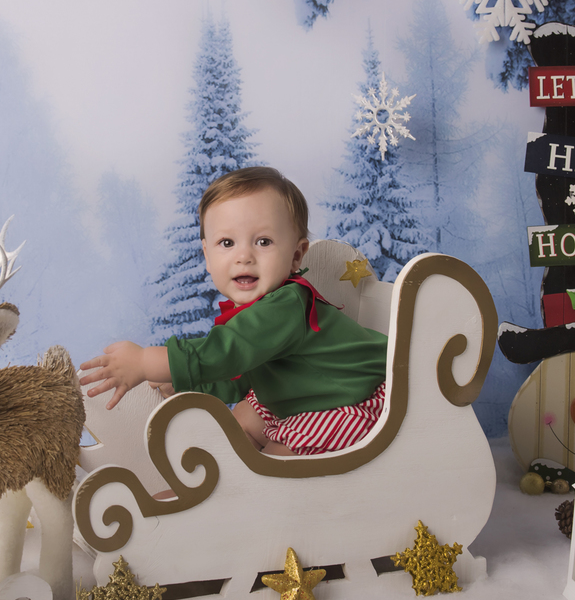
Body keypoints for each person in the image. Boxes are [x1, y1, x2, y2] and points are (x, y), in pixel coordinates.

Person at [79, 166, 387, 456]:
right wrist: (189, 381)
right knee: (244, 414)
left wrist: (147, 361)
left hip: (354, 402)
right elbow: (236, 375)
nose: (244, 256)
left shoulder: (287, 304)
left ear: (296, 255)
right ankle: (223, 479)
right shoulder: (251, 312)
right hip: (305, 397)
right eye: (227, 242)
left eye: (263, 241)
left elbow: (227, 352)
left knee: (278, 465)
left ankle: (254, 485)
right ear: (207, 256)